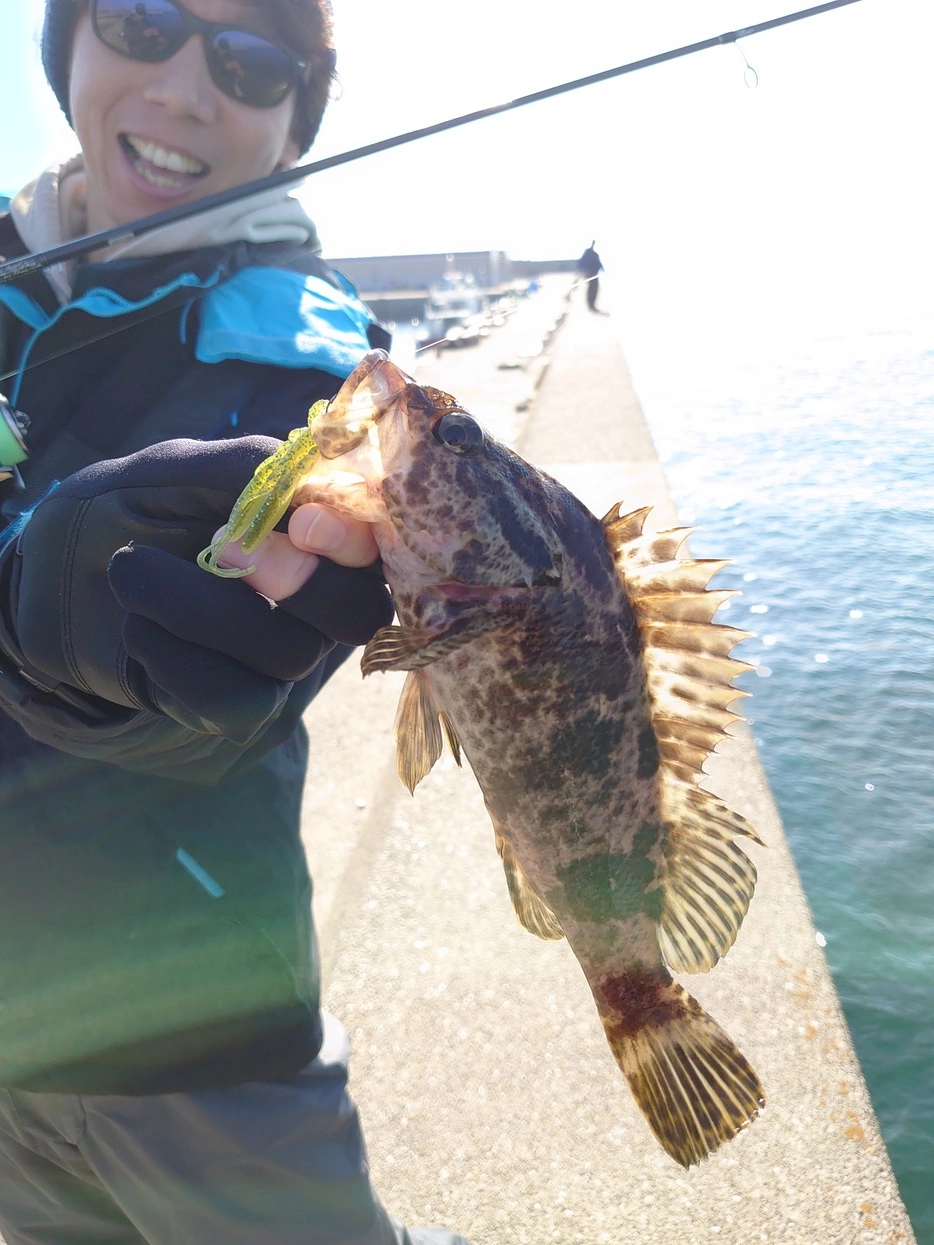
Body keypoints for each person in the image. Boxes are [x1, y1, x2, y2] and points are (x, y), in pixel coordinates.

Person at [0, 1, 470, 1242]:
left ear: (292, 122)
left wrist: (70, 646)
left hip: (195, 1028)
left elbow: (218, 700)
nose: (182, 88)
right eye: (143, 19)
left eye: (250, 61)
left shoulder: (317, 370)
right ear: (68, 43)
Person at [575, 239, 604, 312]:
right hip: (589, 275)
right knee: (591, 290)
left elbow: (599, 264)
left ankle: (592, 305)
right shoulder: (587, 253)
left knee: (594, 290)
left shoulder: (594, 254)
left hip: (594, 275)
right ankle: (590, 305)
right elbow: (581, 263)